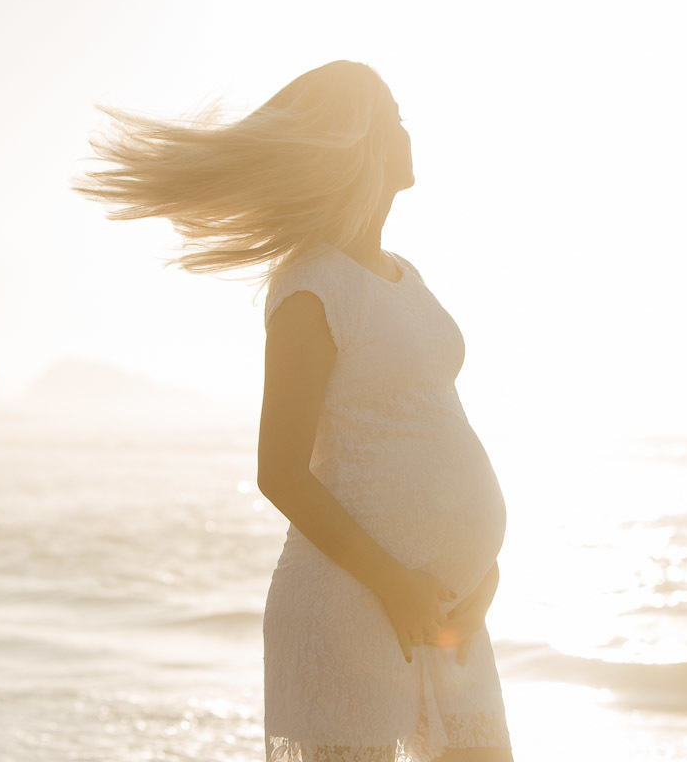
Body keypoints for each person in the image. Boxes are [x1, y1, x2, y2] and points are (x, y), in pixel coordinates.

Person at [71, 59, 514, 762]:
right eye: (393, 117)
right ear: (359, 143)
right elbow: (279, 469)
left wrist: (481, 574)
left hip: (447, 616)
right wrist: (396, 585)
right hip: (354, 608)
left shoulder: (408, 276)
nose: (408, 130)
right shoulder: (312, 284)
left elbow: (434, 426)